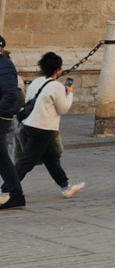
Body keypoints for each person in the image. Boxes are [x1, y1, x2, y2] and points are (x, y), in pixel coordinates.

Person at [12, 52, 85, 201]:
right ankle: (5, 190)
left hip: (28, 125)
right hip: (42, 128)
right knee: (26, 162)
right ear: (58, 69)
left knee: (51, 159)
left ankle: (66, 186)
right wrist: (69, 93)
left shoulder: (35, 82)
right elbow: (63, 108)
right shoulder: (57, 86)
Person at [0, 34, 28, 211]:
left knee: (2, 158)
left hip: (0, 117)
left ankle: (17, 196)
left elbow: (10, 94)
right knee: (2, 159)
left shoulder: (4, 65)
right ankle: (16, 196)